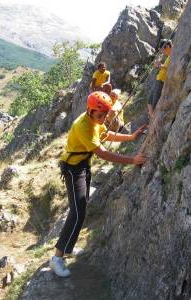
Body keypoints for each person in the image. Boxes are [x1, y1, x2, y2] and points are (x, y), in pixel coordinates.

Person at [49, 91, 147, 277]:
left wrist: (131, 137)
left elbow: (106, 134)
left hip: (83, 165)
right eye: (100, 115)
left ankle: (67, 248)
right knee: (77, 211)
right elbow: (103, 153)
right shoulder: (84, 125)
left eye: (105, 114)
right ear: (90, 110)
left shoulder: (95, 121)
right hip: (72, 168)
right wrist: (132, 160)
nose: (103, 118)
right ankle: (57, 258)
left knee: (82, 208)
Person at [148, 39, 173, 118]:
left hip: (161, 81)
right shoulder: (169, 57)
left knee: (155, 102)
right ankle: (152, 117)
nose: (163, 52)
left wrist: (161, 66)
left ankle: (154, 119)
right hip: (158, 79)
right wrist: (160, 66)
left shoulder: (173, 55)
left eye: (163, 50)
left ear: (168, 46)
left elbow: (171, 68)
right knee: (149, 101)